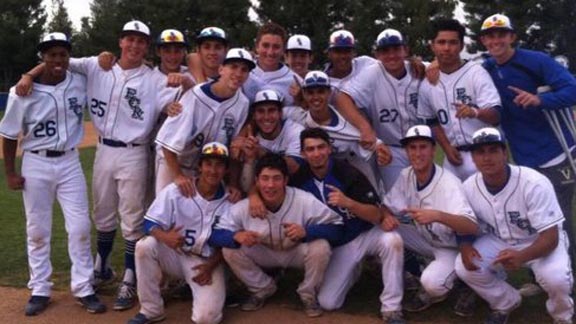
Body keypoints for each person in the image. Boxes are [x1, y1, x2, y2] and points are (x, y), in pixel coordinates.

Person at [0, 32, 106, 315]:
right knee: (37, 230)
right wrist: (10, 173)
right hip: (36, 163)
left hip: (70, 162)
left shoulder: (79, 82)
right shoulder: (22, 92)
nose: (57, 59)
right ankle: (40, 288)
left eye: (62, 54)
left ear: (68, 57)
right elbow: (9, 135)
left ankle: (84, 287)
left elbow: (97, 66)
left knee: (81, 227)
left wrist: (29, 72)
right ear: (42, 57)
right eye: (51, 54)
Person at [478, 13, 576, 264]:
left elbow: (572, 88)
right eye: (490, 36)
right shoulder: (486, 68)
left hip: (556, 152)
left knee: (558, 217)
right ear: (483, 41)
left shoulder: (536, 61)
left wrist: (541, 100)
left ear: (512, 36)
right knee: (532, 218)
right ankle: (539, 271)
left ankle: (568, 273)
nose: (495, 40)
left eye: (501, 34)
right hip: (522, 157)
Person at [454, 127, 574, 324]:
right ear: (473, 158)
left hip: (539, 240)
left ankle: (562, 317)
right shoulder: (469, 186)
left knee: (556, 278)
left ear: (505, 153)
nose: (487, 157)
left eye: (493, 150)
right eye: (480, 152)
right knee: (464, 266)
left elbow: (551, 238)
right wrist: (466, 246)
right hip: (499, 241)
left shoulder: (533, 182)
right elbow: (465, 224)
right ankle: (506, 302)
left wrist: (521, 256)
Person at [291, 128, 405, 324]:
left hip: (365, 234)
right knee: (328, 302)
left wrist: (349, 203)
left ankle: (392, 308)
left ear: (329, 149)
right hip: (340, 245)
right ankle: (354, 269)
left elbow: (377, 214)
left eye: (321, 147)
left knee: (392, 240)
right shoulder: (299, 179)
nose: (316, 153)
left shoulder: (347, 172)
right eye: (310, 149)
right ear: (303, 153)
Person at [209, 153, 343, 317]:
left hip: (296, 252)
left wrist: (307, 231)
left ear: (285, 180)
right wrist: (235, 236)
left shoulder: (303, 200)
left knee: (321, 246)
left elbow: (337, 227)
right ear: (256, 181)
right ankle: (262, 288)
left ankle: (308, 294)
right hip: (263, 252)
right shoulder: (245, 206)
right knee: (229, 248)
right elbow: (214, 234)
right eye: (265, 178)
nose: (270, 185)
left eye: (276, 178)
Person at [128, 142, 232, 324]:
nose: (213, 171)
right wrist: (164, 236)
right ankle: (151, 310)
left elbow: (233, 246)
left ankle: (204, 293)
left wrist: (211, 266)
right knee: (145, 246)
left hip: (206, 263)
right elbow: (148, 223)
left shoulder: (231, 200)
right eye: (208, 164)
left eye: (219, 165)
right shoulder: (177, 191)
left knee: (206, 319)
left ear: (226, 170)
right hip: (174, 255)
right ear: (199, 167)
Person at [380, 125, 478, 314]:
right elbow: (387, 206)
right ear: (407, 151)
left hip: (452, 248)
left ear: (433, 150)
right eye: (412, 147)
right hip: (426, 239)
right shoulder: (406, 174)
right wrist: (385, 216)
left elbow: (471, 226)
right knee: (385, 231)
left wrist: (438, 216)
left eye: (423, 147)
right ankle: (415, 270)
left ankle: (465, 283)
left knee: (433, 284)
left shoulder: (449, 184)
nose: (417, 153)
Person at [155, 48, 255, 199]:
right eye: (233, 67)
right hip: (174, 162)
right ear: (221, 69)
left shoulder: (242, 103)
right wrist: (178, 176)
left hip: (207, 170)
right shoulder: (195, 94)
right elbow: (167, 142)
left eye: (244, 69)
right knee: (165, 212)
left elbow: (234, 150)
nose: (238, 73)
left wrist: (233, 183)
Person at [336, 28, 422, 192]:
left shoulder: (419, 69)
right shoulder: (373, 72)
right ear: (377, 55)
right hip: (391, 149)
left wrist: (435, 65)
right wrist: (365, 128)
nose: (391, 55)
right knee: (399, 205)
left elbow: (441, 67)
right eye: (385, 50)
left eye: (396, 49)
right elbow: (341, 99)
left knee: (428, 198)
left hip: (421, 146)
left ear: (406, 50)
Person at [418, 18, 501, 181]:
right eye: (441, 42)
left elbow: (496, 114)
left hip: (484, 152)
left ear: (461, 46)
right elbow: (431, 121)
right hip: (453, 158)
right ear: (432, 45)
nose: (447, 48)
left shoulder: (476, 73)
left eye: (453, 42)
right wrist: (446, 147)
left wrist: (475, 112)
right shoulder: (427, 82)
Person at [288, 70, 391, 190]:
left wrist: (379, 147)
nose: (316, 97)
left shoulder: (346, 116)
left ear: (329, 93)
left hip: (355, 163)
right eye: (310, 93)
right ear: (304, 95)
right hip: (323, 169)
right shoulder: (300, 117)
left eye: (321, 92)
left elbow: (366, 139)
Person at [235, 89, 305, 186]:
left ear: (280, 113)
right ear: (254, 115)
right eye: (261, 111)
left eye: (271, 110)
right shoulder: (251, 137)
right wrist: (249, 159)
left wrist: (259, 152)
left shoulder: (295, 130)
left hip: (297, 186)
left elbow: (293, 167)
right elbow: (246, 187)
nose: (266, 117)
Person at [242, 22, 302, 104]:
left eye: (276, 47)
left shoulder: (296, 81)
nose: (270, 52)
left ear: (283, 50)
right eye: (265, 46)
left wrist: (301, 100)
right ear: (257, 47)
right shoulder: (242, 71)